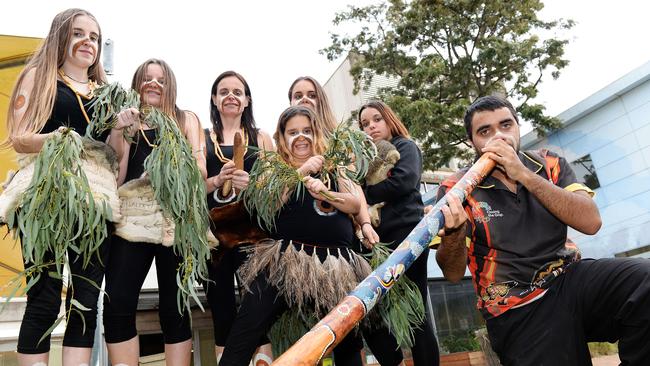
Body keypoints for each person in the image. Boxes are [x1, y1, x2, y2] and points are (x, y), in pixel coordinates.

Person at [435, 95, 650, 365]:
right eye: (484, 131)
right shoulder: (456, 188)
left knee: (645, 281)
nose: (498, 136)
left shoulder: (549, 163)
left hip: (570, 280)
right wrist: (454, 233)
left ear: (517, 126)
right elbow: (453, 274)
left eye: (505, 125)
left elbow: (591, 222)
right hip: (516, 307)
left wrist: (523, 174)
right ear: (472, 142)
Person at [4, 8, 115, 366]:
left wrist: (125, 126)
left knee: (85, 297)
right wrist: (60, 138)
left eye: (94, 37)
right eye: (78, 33)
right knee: (45, 295)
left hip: (94, 200)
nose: (88, 42)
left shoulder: (108, 93)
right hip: (47, 194)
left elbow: (114, 151)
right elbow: (20, 139)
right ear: (61, 37)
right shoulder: (40, 76)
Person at [218, 105, 369, 366]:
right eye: (293, 132)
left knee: (346, 339)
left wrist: (325, 192)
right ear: (283, 138)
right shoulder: (275, 170)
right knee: (247, 326)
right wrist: (303, 171)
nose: (301, 137)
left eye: (307, 131)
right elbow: (267, 205)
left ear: (317, 134)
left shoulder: (335, 167)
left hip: (337, 265)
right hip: (286, 261)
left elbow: (355, 204)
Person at [102, 58, 205, 366]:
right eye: (148, 78)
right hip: (132, 220)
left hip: (176, 221)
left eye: (161, 79)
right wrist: (120, 129)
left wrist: (169, 168)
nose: (154, 84)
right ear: (137, 82)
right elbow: (117, 177)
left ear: (170, 85)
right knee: (117, 301)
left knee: (175, 306)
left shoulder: (186, 119)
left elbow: (199, 170)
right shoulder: (126, 119)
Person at [358, 101, 440, 366]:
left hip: (408, 236)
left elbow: (402, 182)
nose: (371, 126)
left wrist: (362, 195)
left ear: (389, 120)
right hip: (375, 243)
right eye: (364, 124)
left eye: (376, 119)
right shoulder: (364, 160)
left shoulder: (406, 146)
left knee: (416, 312)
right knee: (374, 313)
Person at [201, 70, 274, 364]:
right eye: (224, 91)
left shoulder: (262, 138)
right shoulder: (202, 139)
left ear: (247, 100)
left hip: (252, 235)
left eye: (237, 91)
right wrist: (218, 181)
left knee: (255, 309)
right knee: (221, 311)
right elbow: (195, 187)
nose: (231, 96)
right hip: (213, 237)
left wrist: (254, 184)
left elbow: (275, 187)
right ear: (215, 100)